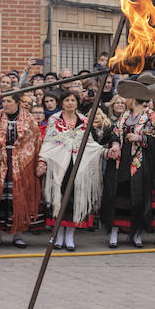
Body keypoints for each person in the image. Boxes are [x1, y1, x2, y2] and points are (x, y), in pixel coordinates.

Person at [100, 80, 155, 249]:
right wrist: (115, 144)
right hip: (121, 162)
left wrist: (140, 138)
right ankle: (114, 233)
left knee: (138, 197)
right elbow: (115, 133)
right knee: (117, 195)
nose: (124, 100)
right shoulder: (124, 116)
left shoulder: (149, 116)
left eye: (127, 97)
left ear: (134, 99)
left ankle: (136, 233)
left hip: (140, 163)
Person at [39, 91, 105, 252]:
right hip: (59, 165)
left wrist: (103, 151)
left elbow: (89, 142)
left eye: (73, 100)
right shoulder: (54, 120)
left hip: (77, 165)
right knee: (59, 198)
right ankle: (58, 235)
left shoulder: (83, 121)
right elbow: (49, 141)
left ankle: (70, 236)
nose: (70, 103)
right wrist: (43, 160)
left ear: (77, 103)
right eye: (67, 100)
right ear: (61, 103)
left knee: (75, 198)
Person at [0, 93, 43, 249]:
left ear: (18, 102)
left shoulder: (29, 118)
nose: (4, 104)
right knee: (0, 197)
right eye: (3, 101)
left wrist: (34, 161)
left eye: (8, 101)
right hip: (0, 162)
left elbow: (36, 141)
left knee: (19, 197)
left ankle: (18, 234)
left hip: (23, 163)